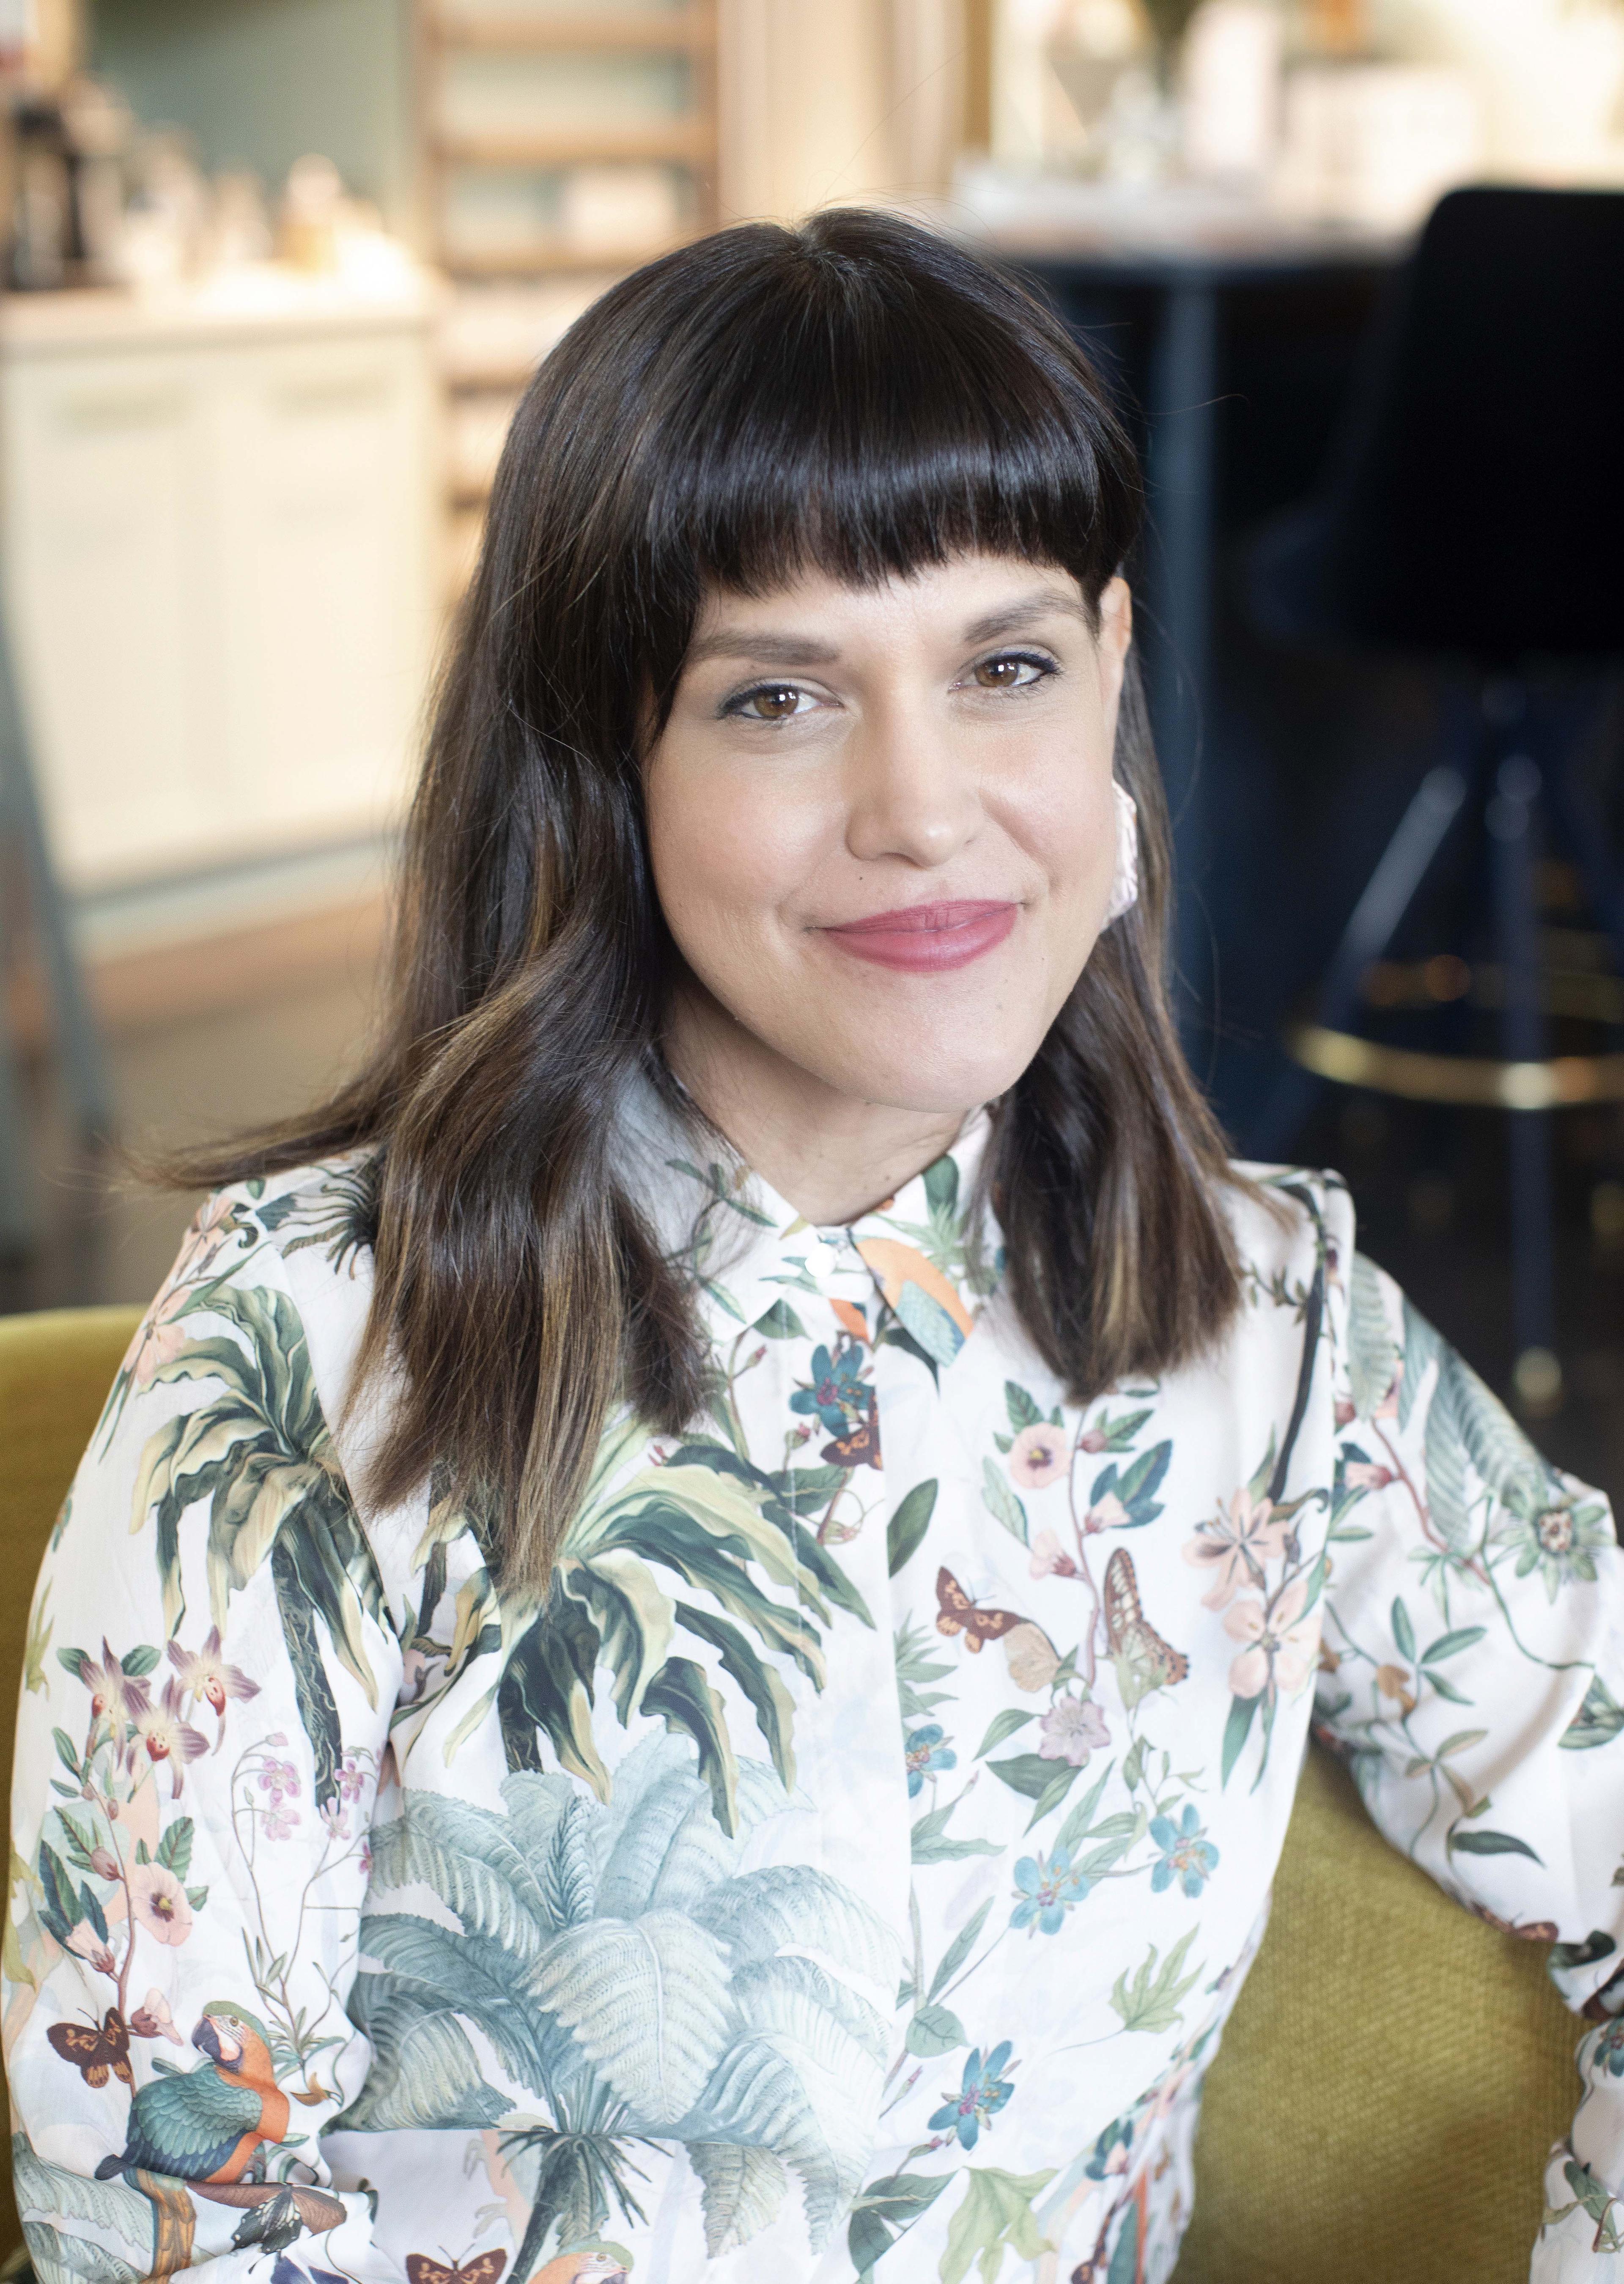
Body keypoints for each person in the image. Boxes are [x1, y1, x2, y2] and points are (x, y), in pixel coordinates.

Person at [6, 208, 1622, 2284]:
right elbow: (169, 2215)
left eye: (1007, 668)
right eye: (778, 699)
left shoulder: (1275, 1327)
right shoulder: (308, 1348)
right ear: (610, 760)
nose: (926, 807)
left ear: (1114, 669)